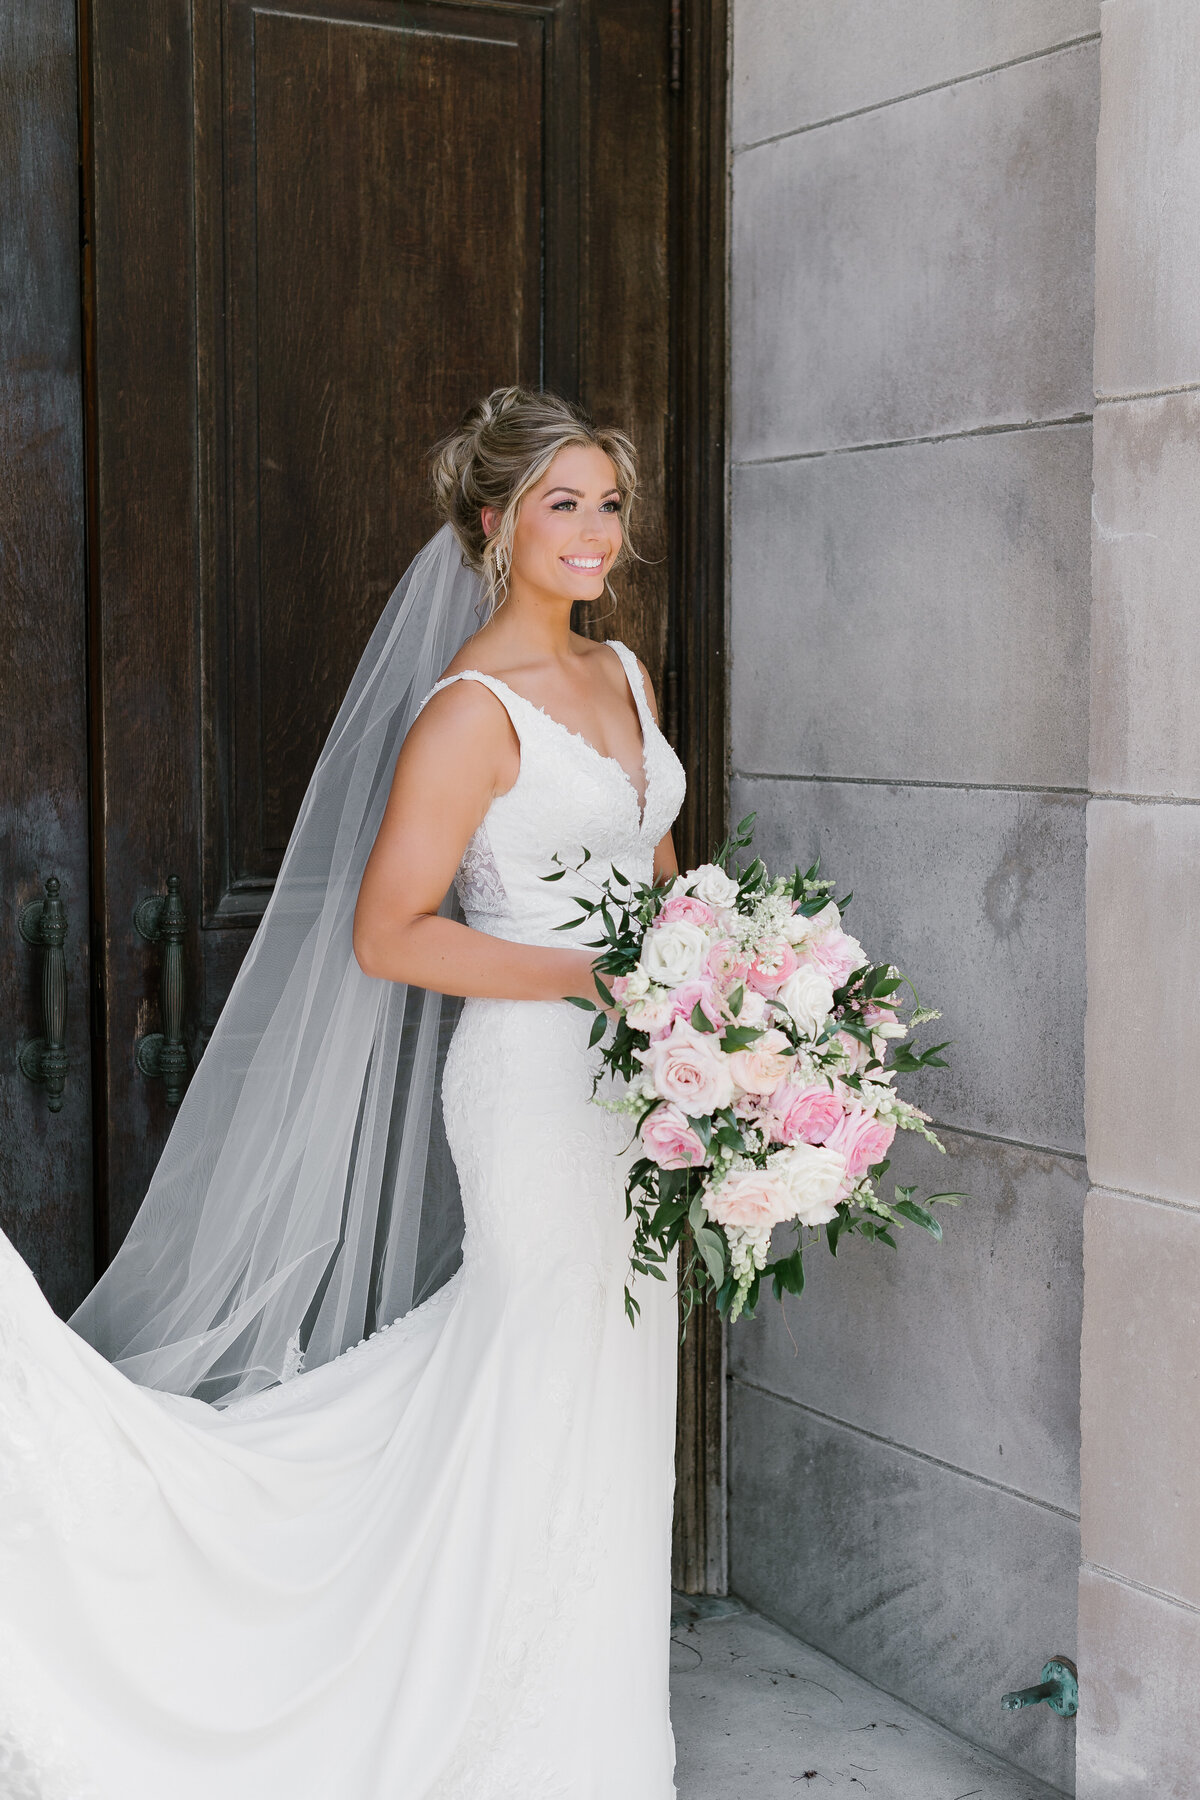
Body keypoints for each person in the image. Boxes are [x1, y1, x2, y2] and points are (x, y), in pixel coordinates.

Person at [0, 386, 687, 1799]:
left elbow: (666, 878)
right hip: (538, 1092)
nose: (595, 532)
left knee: (610, 1384)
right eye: (563, 503)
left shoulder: (623, 680)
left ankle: (588, 1722)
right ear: (495, 525)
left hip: (647, 1091)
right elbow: (394, 935)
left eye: (609, 504)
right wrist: (593, 980)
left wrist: (732, 1012)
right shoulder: (467, 716)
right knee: (545, 1369)